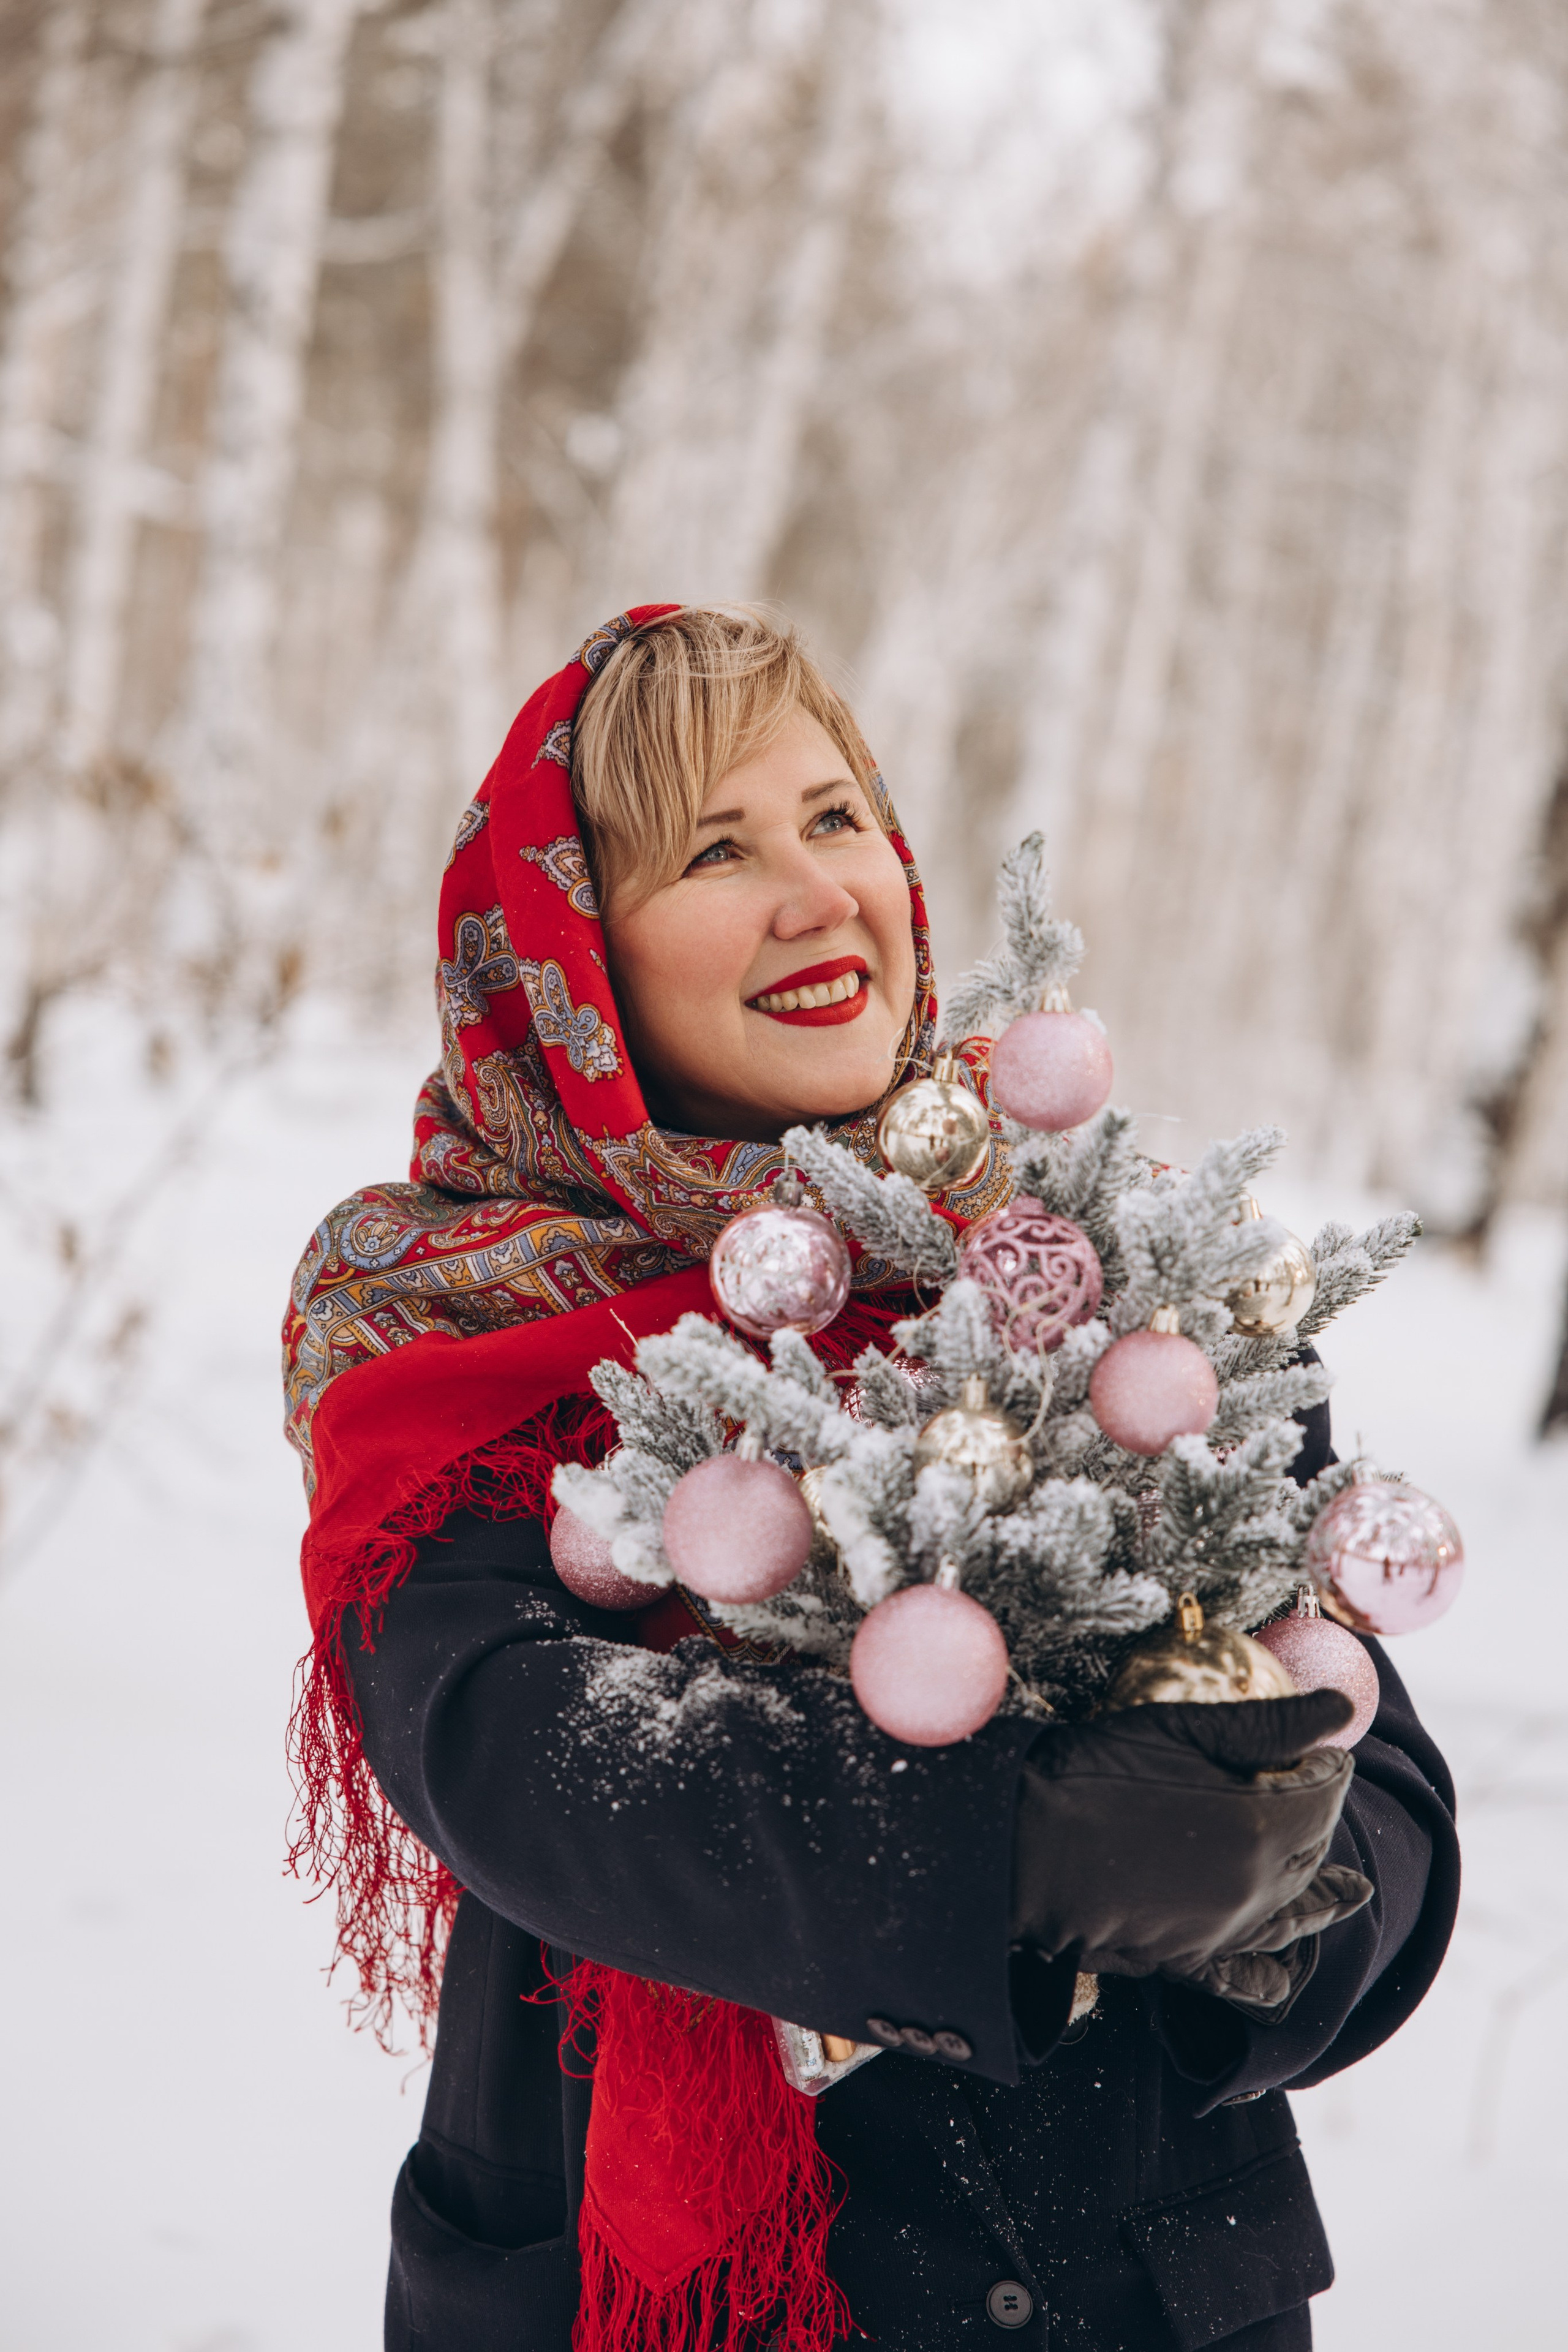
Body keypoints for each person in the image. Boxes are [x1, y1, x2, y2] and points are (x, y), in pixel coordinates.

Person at [284, 604, 1459, 2352]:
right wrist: (1010, 1853)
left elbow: (1393, 1792)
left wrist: (1275, 1899)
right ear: (575, 955)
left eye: (836, 818)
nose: (815, 889)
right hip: (656, 2306)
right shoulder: (451, 1322)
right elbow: (507, 1745)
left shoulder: (1108, 1300)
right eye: (713, 847)